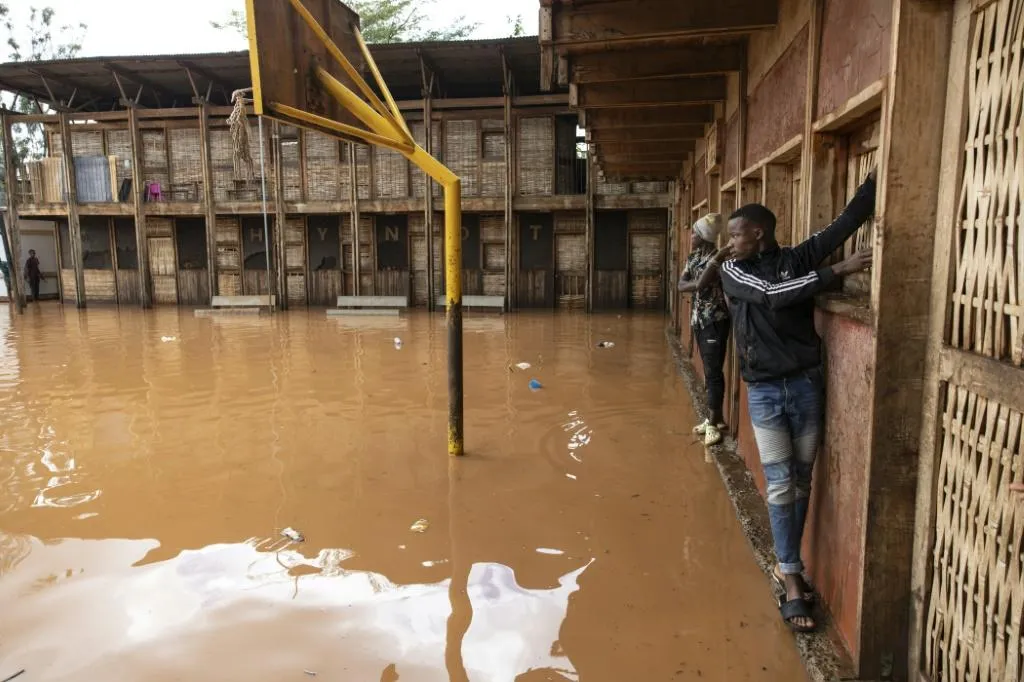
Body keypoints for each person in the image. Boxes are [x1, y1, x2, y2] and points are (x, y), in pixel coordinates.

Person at [716, 171, 877, 633]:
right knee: (782, 483)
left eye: (736, 234)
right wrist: (834, 273)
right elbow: (770, 298)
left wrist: (876, 178)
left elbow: (844, 224)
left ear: (758, 233)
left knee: (802, 480)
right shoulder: (732, 269)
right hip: (765, 390)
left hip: (806, 383)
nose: (729, 243)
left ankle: (789, 561)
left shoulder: (794, 259)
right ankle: (791, 577)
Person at [677, 213, 733, 446]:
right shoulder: (693, 258)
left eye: (694, 233)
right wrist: (694, 285)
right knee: (711, 372)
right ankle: (714, 418)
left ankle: (713, 423)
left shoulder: (718, 261)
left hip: (715, 321)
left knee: (713, 372)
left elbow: (697, 285)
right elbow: (681, 286)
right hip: (699, 320)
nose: (690, 236)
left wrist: (695, 285)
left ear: (702, 237)